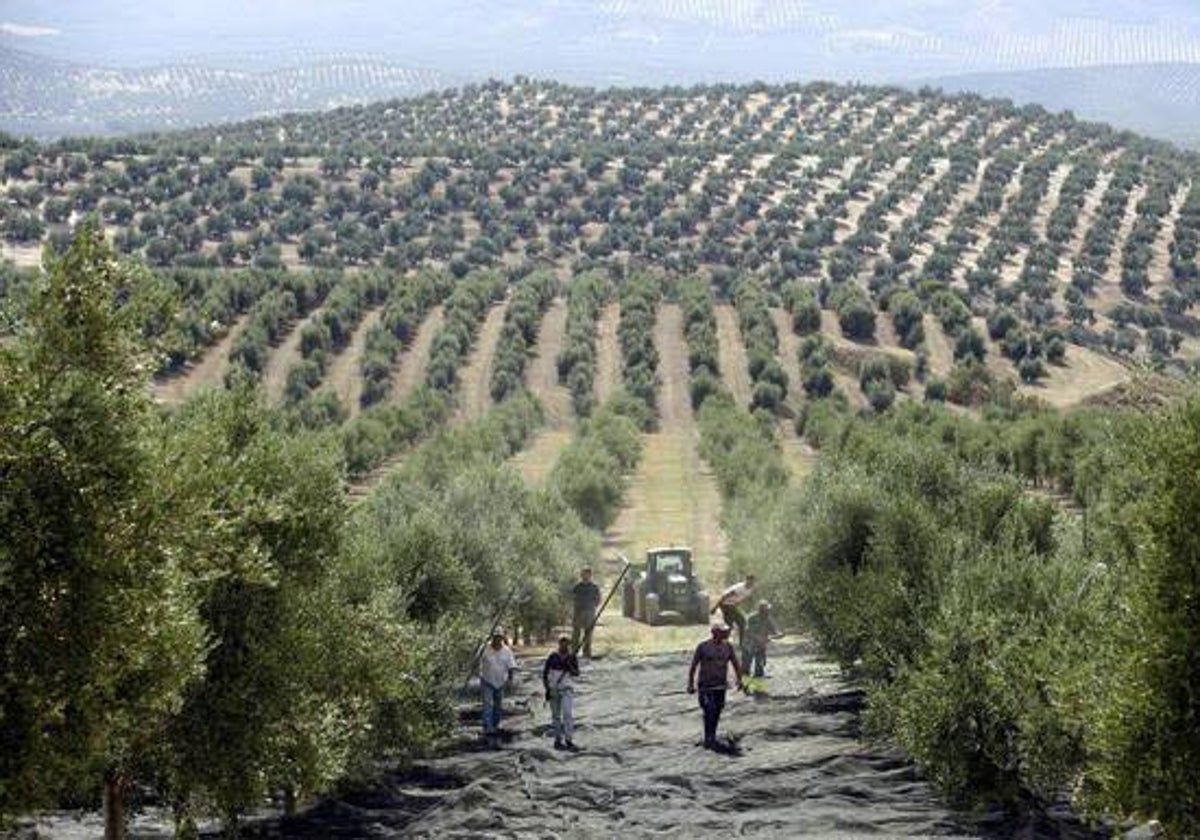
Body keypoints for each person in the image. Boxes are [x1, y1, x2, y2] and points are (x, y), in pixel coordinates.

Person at [687, 621, 744, 749]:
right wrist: (691, 684)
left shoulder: (728, 647)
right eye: (723, 632)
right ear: (715, 633)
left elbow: (735, 664)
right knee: (709, 710)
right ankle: (708, 737)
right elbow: (694, 666)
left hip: (720, 686)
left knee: (717, 710)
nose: (726, 633)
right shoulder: (703, 647)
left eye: (726, 631)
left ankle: (712, 735)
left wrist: (739, 680)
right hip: (705, 686)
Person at [479, 629, 518, 747]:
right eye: (495, 637)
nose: (497, 640)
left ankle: (495, 724)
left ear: (502, 638)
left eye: (499, 637)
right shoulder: (484, 649)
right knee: (488, 703)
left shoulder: (507, 651)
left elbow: (511, 666)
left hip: (501, 681)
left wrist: (511, 680)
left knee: (498, 704)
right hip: (487, 680)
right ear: (492, 638)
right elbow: (477, 661)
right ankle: (487, 726)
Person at [543, 635, 581, 751]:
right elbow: (545, 674)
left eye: (566, 643)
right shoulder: (552, 657)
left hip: (567, 689)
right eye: (562, 643)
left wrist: (569, 667)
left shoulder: (572, 657)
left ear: (568, 644)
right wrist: (547, 689)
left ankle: (569, 740)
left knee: (567, 714)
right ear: (559, 644)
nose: (564, 645)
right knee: (555, 716)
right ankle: (557, 740)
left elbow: (577, 673)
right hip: (554, 689)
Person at [710, 574, 755, 643]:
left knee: (741, 622)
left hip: (732, 605)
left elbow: (740, 599)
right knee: (729, 623)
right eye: (749, 581)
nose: (751, 583)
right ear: (746, 580)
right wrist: (715, 607)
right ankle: (722, 641)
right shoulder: (740, 588)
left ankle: (741, 642)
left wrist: (737, 606)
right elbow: (725, 596)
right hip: (725, 604)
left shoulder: (750, 589)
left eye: (752, 581)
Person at [743, 600, 782, 678]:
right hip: (749, 645)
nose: (767, 612)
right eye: (766, 610)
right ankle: (744, 684)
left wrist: (778, 634)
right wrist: (758, 637)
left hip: (761, 646)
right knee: (746, 668)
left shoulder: (768, 619)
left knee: (760, 668)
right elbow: (747, 631)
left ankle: (758, 683)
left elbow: (774, 630)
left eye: (768, 610)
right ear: (761, 610)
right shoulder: (751, 618)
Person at [571, 567, 602, 658]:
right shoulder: (577, 587)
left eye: (587, 574)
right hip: (578, 612)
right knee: (576, 633)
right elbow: (573, 598)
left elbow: (598, 599)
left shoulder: (594, 587)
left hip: (589, 612)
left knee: (588, 633)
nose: (585, 576)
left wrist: (593, 605)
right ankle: (574, 651)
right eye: (583, 574)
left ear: (590, 575)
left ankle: (587, 652)